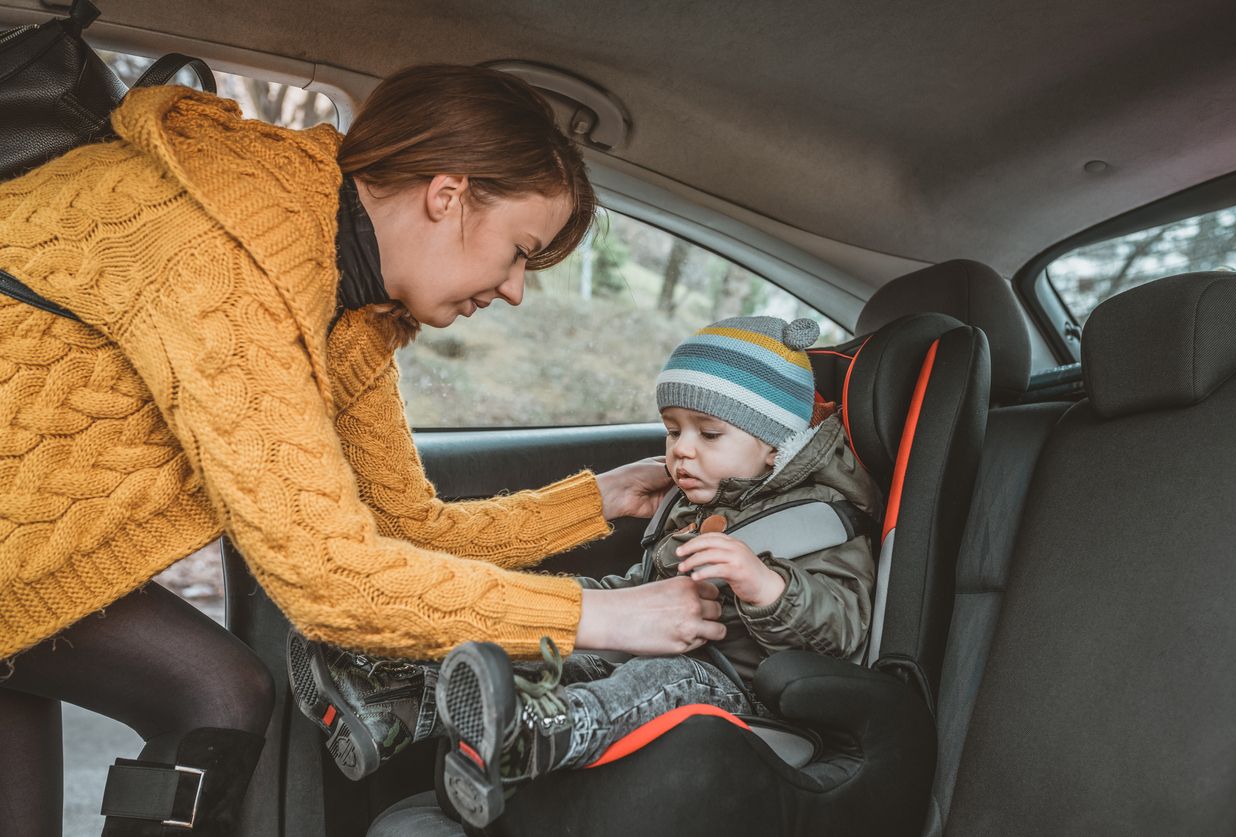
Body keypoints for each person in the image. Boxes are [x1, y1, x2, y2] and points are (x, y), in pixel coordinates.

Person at [0, 65, 725, 836]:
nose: (516, 289)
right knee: (218, 691)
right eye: (520, 250)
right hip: (23, 554)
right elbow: (329, 577)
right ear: (448, 195)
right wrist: (604, 617)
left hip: (27, 558)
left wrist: (597, 500)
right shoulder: (229, 251)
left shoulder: (351, 308)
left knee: (206, 691)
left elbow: (405, 529)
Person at [289, 315, 881, 828]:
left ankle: (528, 737)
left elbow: (842, 631)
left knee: (662, 680)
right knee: (558, 644)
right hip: (659, 651)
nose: (682, 450)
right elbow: (640, 591)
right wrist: (579, 602)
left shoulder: (822, 520)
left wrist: (766, 588)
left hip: (740, 690)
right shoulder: (697, 503)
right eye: (673, 430)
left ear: (776, 444)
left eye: (709, 433)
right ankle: (399, 701)